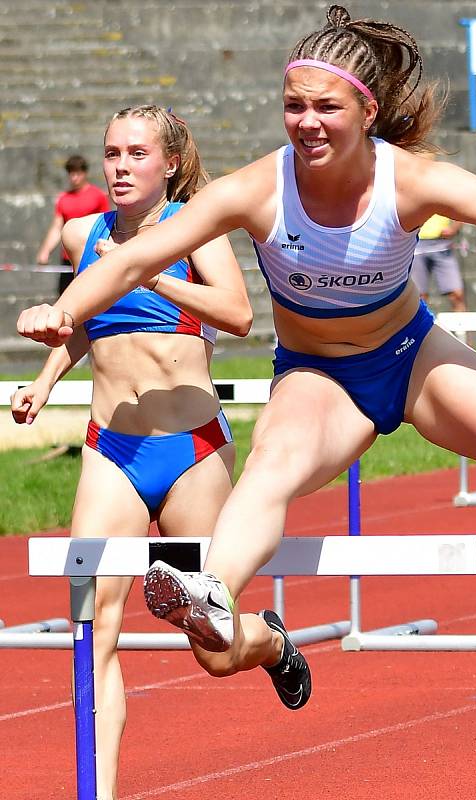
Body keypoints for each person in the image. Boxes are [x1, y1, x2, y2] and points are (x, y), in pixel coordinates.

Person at [17, 4, 476, 709]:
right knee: (272, 464)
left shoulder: (407, 180)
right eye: (293, 106)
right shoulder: (258, 189)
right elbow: (130, 262)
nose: (307, 122)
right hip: (320, 377)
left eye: (325, 107)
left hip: (413, 361)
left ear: (365, 111)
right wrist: (64, 310)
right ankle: (210, 590)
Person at [12, 105, 263, 800]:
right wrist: (43, 378)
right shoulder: (80, 234)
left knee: (212, 647)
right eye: (111, 154)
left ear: (170, 164)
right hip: (110, 447)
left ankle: (267, 642)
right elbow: (84, 323)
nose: (119, 167)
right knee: (93, 629)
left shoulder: (196, 227)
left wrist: (150, 271)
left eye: (135, 154)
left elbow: (239, 316)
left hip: (190, 449)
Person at [36, 154, 111, 295]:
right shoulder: (63, 199)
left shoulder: (97, 196)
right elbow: (57, 227)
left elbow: (106, 224)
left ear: (84, 173)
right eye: (71, 173)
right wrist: (45, 251)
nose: (74, 177)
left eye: (77, 173)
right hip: (68, 259)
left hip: (91, 256)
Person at [411, 214, 466, 312]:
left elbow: (464, 210)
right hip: (416, 245)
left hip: (443, 245)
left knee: (457, 295)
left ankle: (462, 326)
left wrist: (454, 228)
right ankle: (421, 326)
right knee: (418, 298)